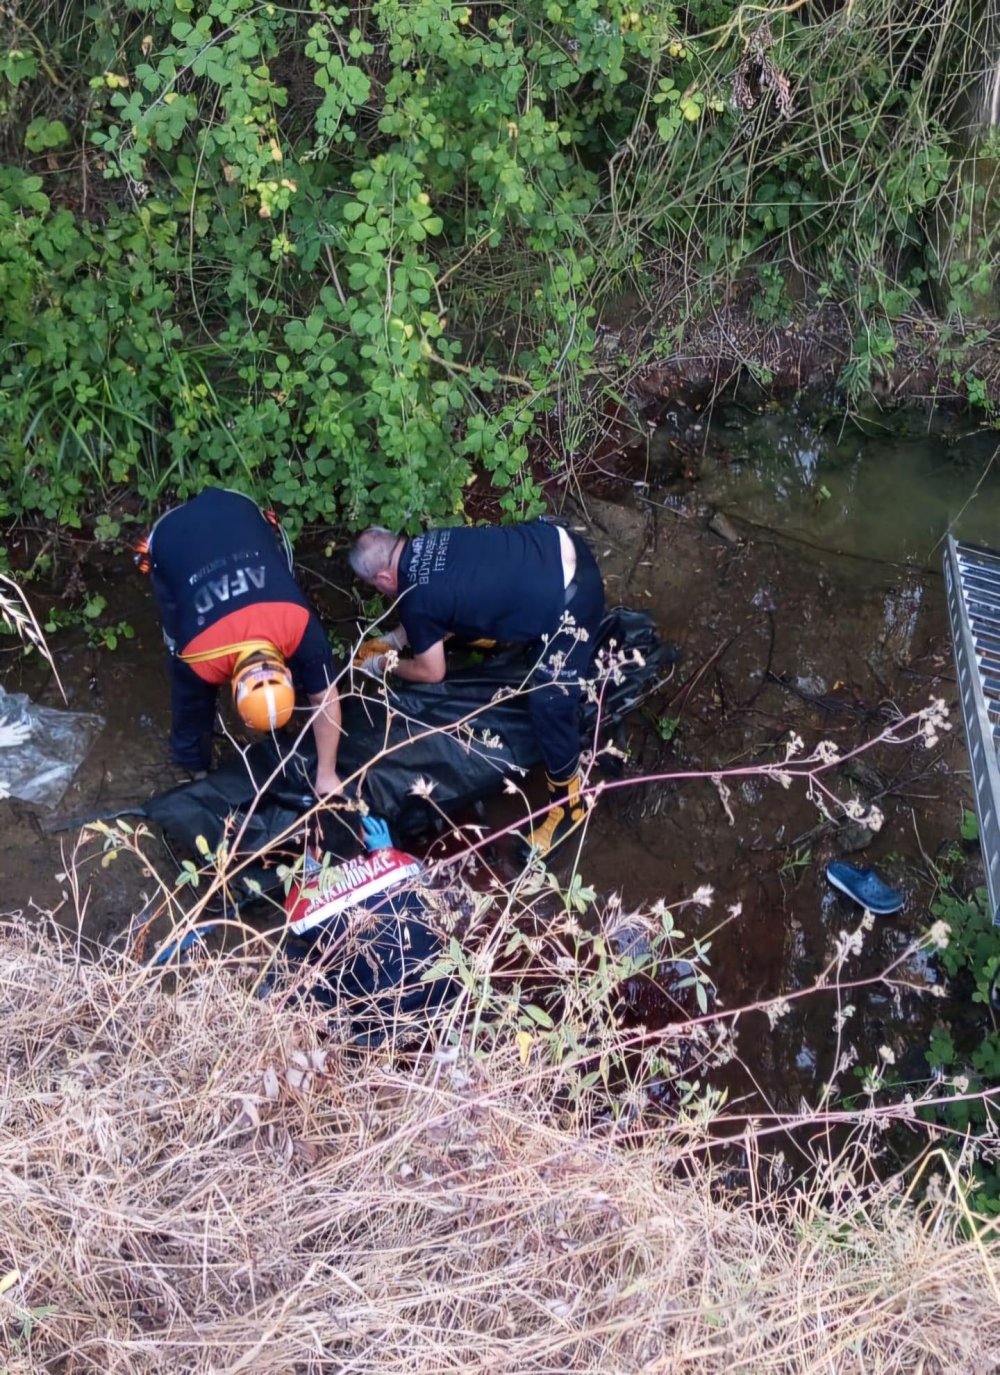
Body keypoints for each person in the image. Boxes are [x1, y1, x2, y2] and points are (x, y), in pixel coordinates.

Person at [348, 519, 605, 857]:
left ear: (383, 578)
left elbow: (432, 672)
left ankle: (570, 802)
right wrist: (396, 638)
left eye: (375, 586)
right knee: (465, 613)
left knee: (549, 701)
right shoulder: (430, 541)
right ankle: (521, 630)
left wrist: (383, 665)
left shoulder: (416, 598)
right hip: (560, 546)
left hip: (576, 602)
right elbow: (433, 600)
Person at [139, 487, 342, 795]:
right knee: (178, 651)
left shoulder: (299, 625)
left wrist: (327, 773)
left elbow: (325, 698)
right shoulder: (198, 656)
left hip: (239, 508)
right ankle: (194, 767)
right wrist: (198, 772)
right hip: (171, 534)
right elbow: (190, 711)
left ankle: (203, 763)